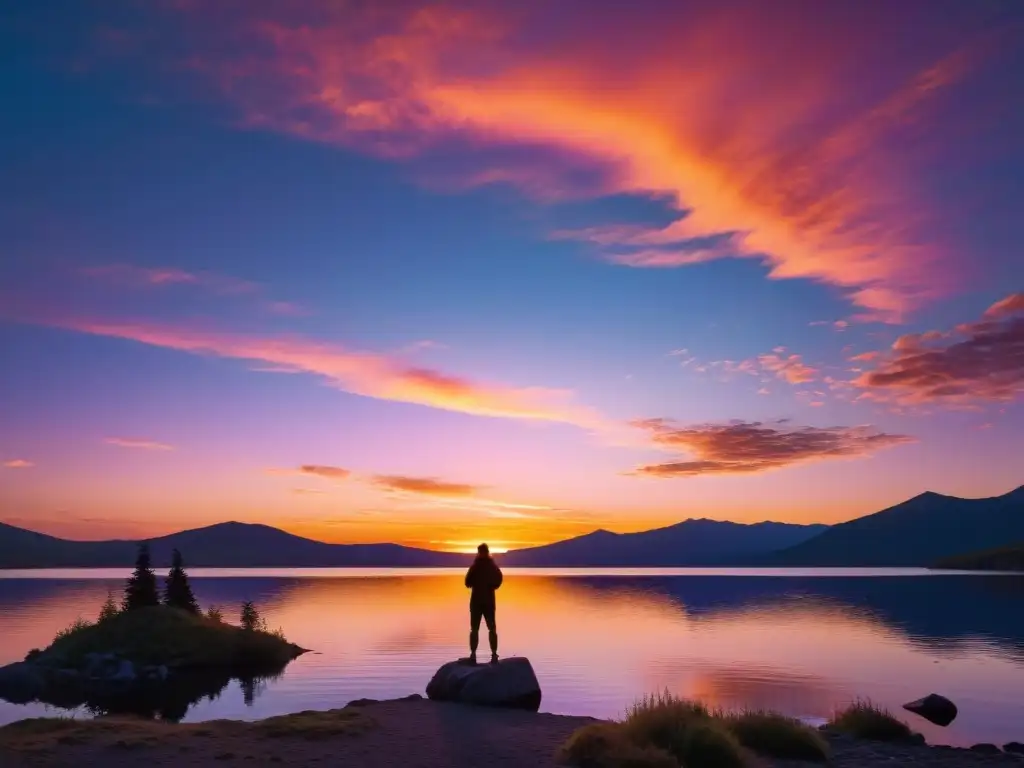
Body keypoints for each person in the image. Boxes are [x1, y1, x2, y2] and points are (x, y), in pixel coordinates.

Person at [464, 542, 502, 664]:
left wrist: (492, 585)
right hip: (478, 602)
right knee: (475, 629)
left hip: (486, 603)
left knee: (490, 628)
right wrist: (492, 585)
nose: (481, 554)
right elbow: (467, 582)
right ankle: (474, 654)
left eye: (482, 552)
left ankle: (493, 654)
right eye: (480, 552)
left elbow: (499, 579)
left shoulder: (487, 567)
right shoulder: (478, 567)